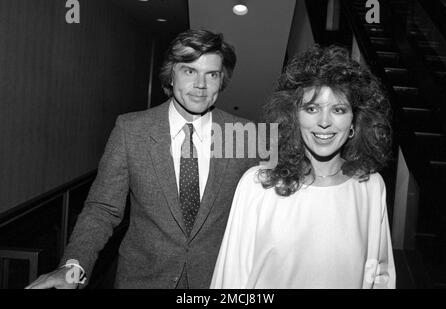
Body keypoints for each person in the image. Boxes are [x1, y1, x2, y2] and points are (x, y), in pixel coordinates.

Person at [26, 29, 257, 289]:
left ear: (221, 79)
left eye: (211, 74)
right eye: (189, 71)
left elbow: (264, 213)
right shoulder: (130, 129)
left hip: (216, 283)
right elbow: (102, 209)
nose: (201, 85)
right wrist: (71, 268)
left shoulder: (244, 135)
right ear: (171, 74)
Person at [210, 45, 396, 289]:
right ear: (293, 116)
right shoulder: (259, 184)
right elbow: (230, 279)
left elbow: (380, 277)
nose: (325, 122)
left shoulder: (370, 186)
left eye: (338, 110)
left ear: (354, 122)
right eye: (312, 108)